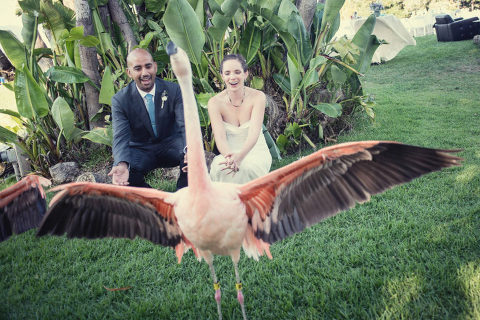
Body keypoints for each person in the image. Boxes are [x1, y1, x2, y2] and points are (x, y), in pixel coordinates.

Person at [108, 48, 187, 189]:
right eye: (138, 68)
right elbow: (120, 136)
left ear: (155, 67)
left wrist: (190, 151)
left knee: (192, 158)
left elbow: (185, 125)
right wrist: (121, 164)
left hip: (172, 145)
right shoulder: (120, 100)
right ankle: (154, 201)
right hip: (141, 149)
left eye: (148, 66)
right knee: (125, 173)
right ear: (129, 72)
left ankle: (182, 197)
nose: (144, 73)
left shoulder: (174, 90)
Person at [207, 54, 272, 184]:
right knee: (221, 169)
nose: (232, 77)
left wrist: (240, 157)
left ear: (245, 74)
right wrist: (230, 158)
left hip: (254, 151)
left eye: (237, 72)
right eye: (227, 73)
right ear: (222, 76)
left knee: (247, 168)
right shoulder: (214, 103)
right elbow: (220, 138)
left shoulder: (258, 97)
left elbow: (254, 134)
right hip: (229, 153)